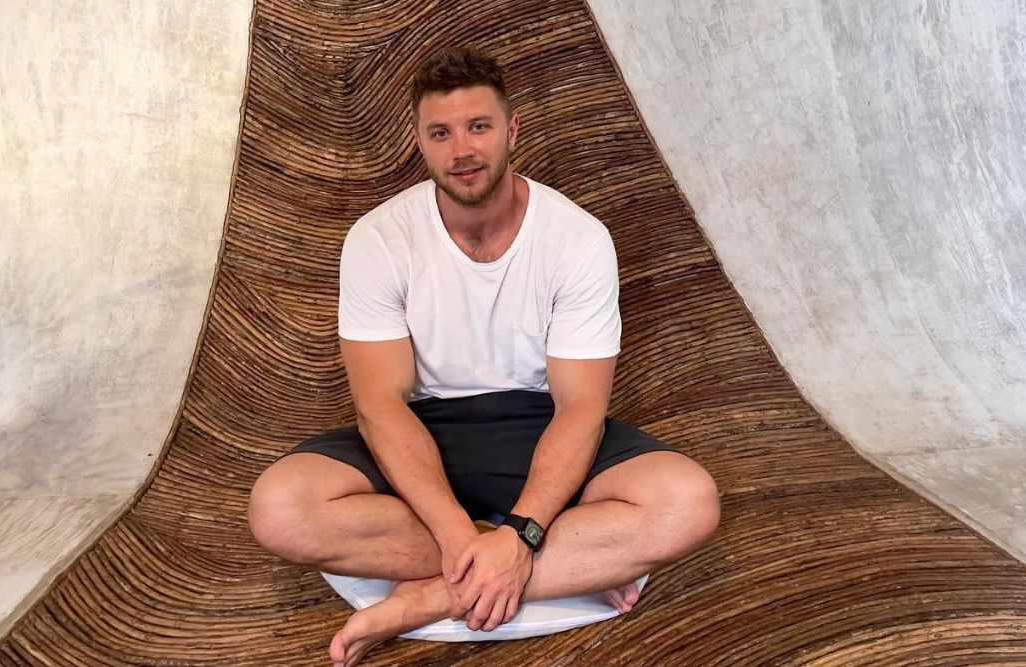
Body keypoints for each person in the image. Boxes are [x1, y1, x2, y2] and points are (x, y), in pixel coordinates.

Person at [247, 46, 720, 667]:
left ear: (511, 131)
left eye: (478, 127)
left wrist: (523, 531)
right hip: (425, 429)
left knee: (688, 502)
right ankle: (549, 560)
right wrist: (466, 536)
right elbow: (380, 406)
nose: (462, 150)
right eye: (440, 133)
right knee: (280, 509)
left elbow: (580, 407)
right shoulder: (379, 238)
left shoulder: (577, 239)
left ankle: (430, 598)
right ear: (420, 142)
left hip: (541, 425)